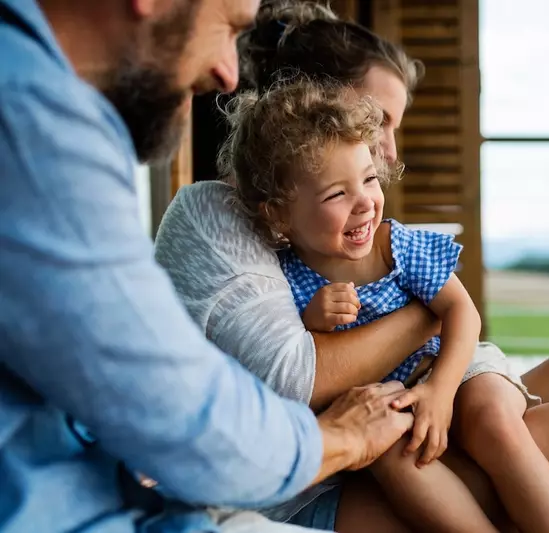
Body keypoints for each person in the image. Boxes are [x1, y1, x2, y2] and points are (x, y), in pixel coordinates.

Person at [155, 2, 549, 533]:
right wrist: (429, 314)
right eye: (378, 122)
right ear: (304, 109)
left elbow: (445, 315)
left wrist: (443, 360)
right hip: (326, 486)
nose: (388, 152)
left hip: (395, 417)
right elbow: (296, 376)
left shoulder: (353, 233)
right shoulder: (224, 218)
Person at [0, 1, 419, 532]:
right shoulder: (29, 117)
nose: (227, 73)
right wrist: (345, 439)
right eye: (227, 29)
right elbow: (180, 413)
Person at [219, 76, 549, 533]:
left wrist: (441, 391)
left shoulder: (396, 246)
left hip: (450, 362)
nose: (365, 204)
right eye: (336, 194)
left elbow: (462, 313)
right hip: (386, 399)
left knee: (491, 417)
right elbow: (296, 362)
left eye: (369, 179)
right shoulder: (282, 277)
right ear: (278, 213)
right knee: (389, 453)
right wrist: (311, 320)